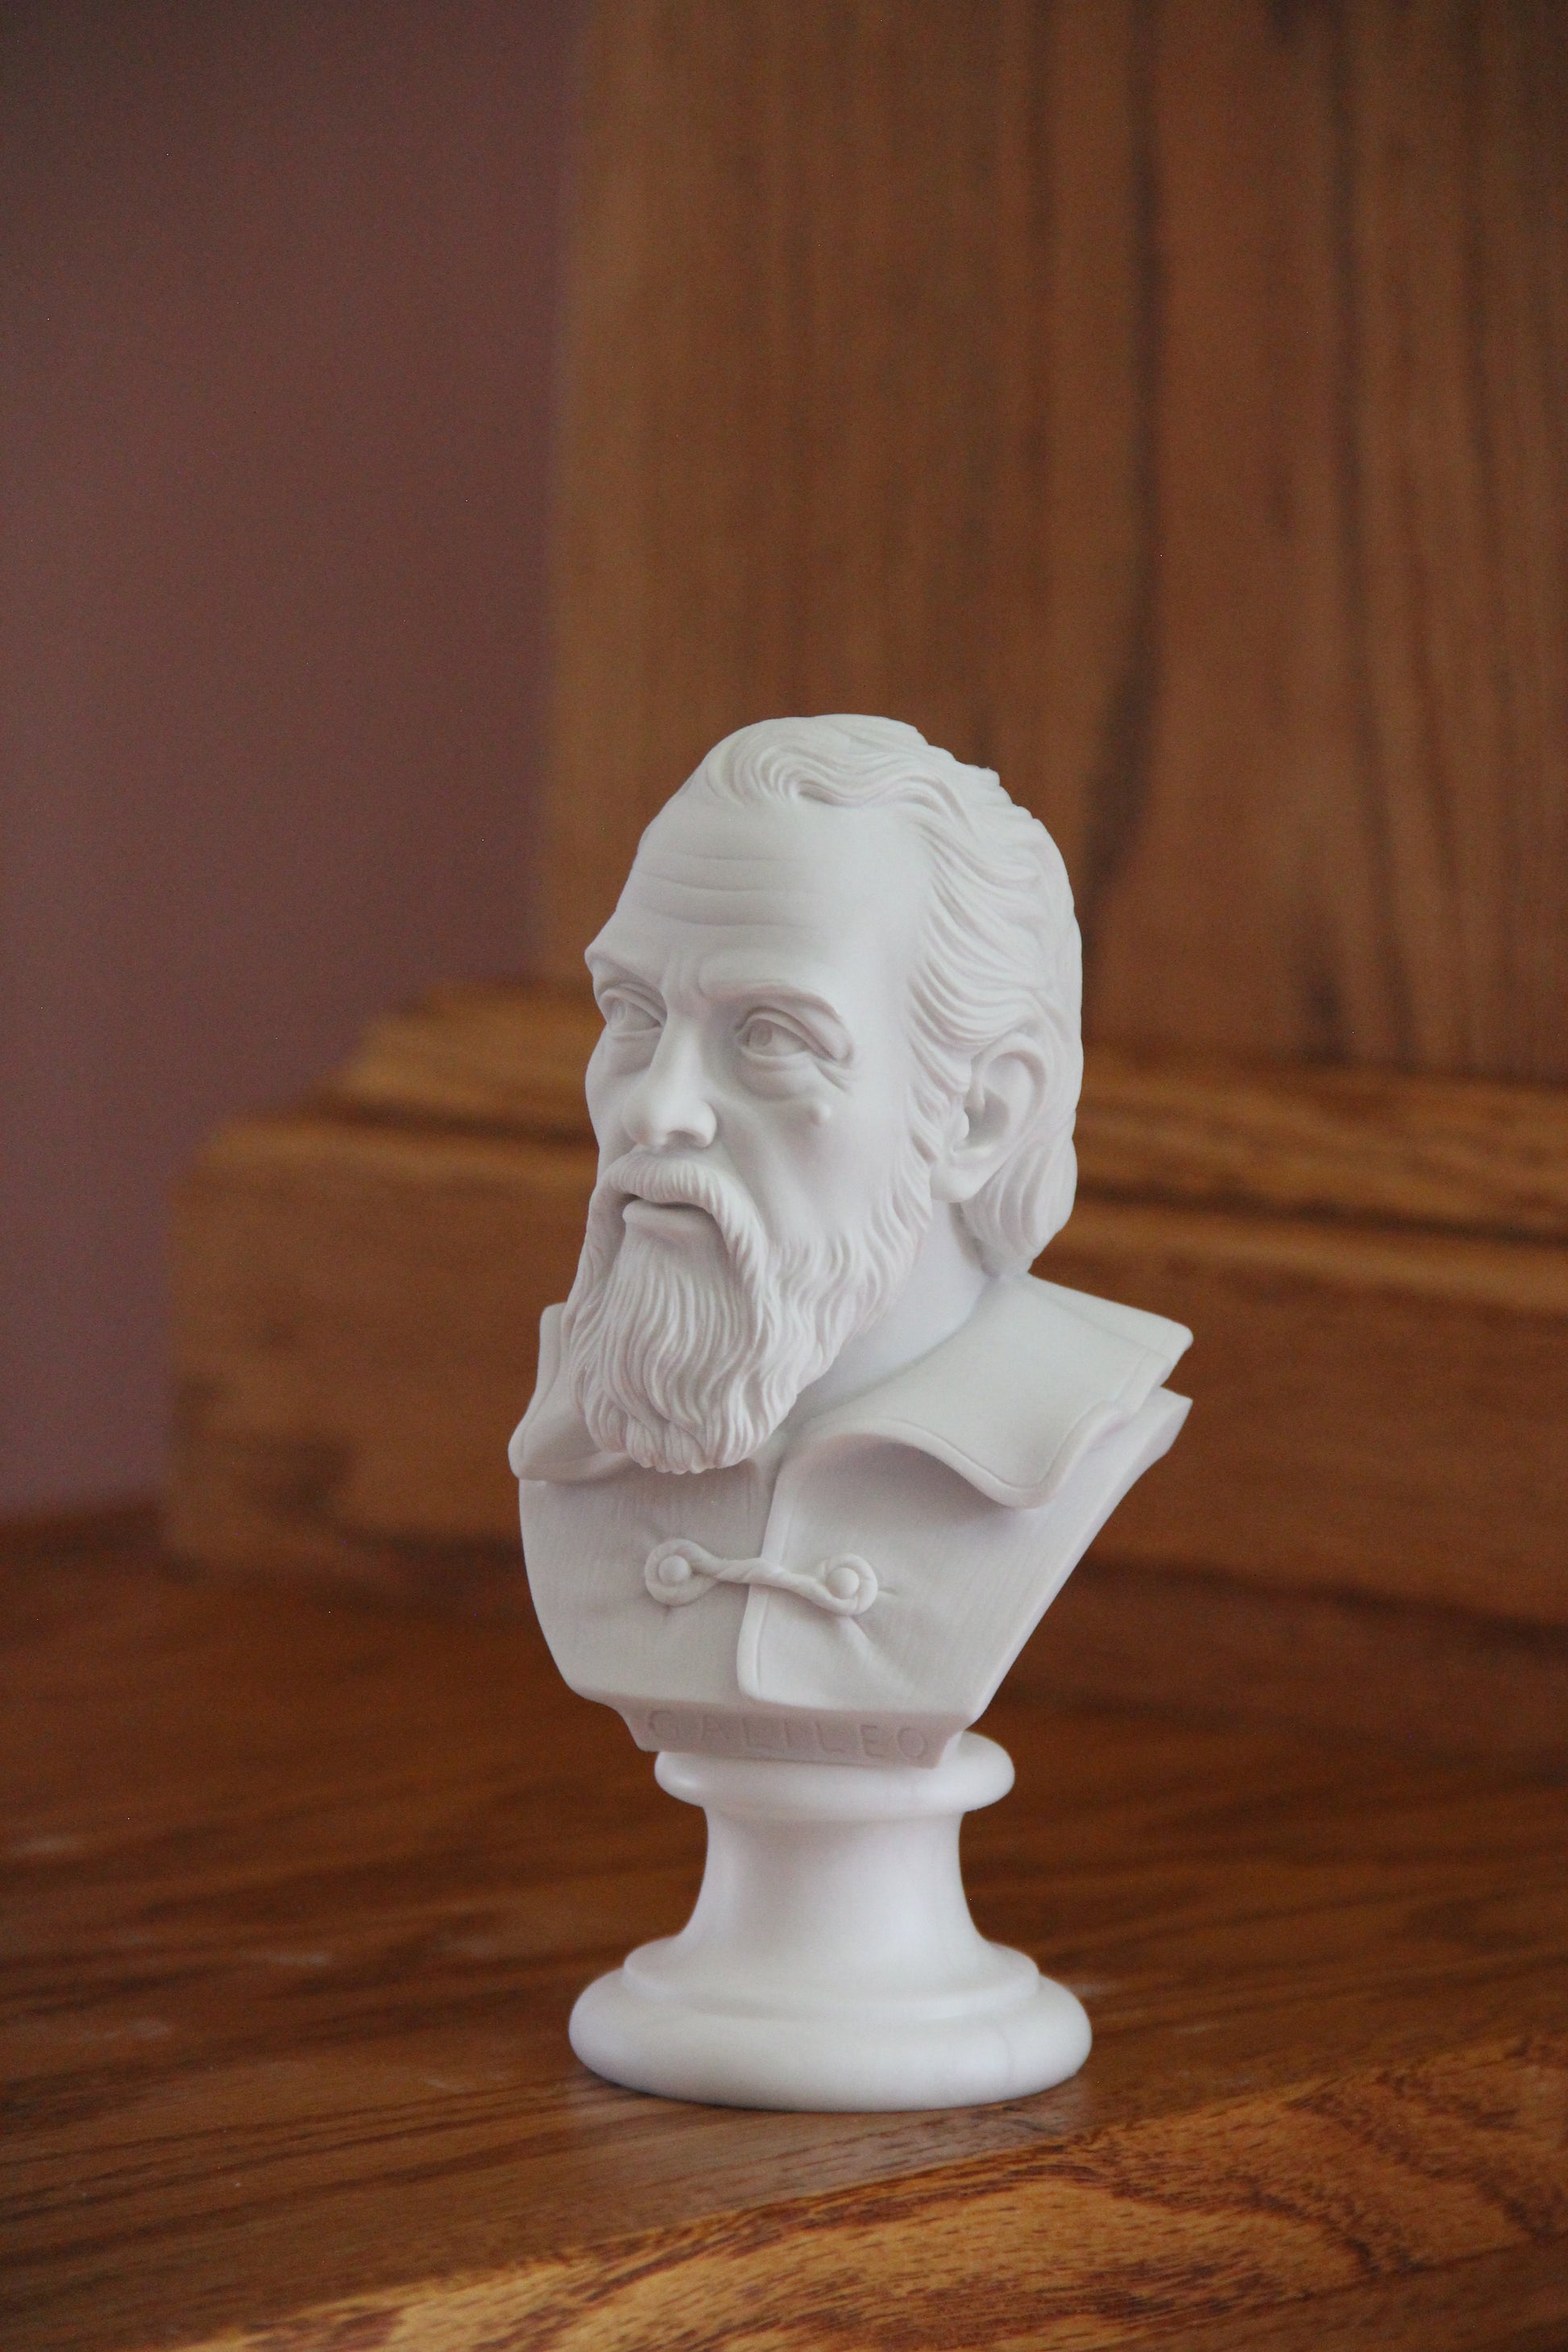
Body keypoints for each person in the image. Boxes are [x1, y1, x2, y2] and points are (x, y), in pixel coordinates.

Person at [511, 715, 1190, 1766]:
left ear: (980, 1115)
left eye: (769, 1036)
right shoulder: (579, 1417)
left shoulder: (1082, 1432)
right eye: (633, 1012)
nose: (654, 1109)